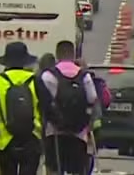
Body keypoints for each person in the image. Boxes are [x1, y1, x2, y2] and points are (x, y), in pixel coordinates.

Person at [40, 41, 96, 175]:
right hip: (78, 134)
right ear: (73, 55)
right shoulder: (84, 76)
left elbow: (42, 101)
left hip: (54, 133)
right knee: (77, 170)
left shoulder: (49, 76)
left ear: (57, 55)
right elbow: (92, 98)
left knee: (53, 168)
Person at [0, 42, 42, 175]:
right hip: (32, 139)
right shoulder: (36, 81)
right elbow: (45, 109)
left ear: (6, 62)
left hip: (4, 141)